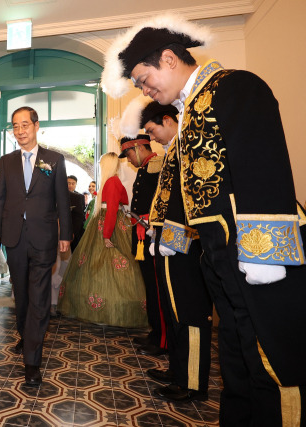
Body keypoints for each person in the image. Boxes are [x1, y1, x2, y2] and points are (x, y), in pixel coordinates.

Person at [102, 14, 306, 425]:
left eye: (144, 79)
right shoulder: (191, 110)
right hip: (220, 258)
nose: (145, 90)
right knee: (236, 355)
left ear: (169, 59)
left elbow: (262, 168)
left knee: (272, 363)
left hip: (261, 258)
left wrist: (264, 255)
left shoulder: (235, 87)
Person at [125, 98, 214, 402]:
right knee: (174, 313)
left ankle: (191, 383)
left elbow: (191, 201)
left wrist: (172, 239)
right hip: (168, 244)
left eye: (152, 130)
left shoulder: (188, 145)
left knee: (189, 315)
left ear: (168, 120)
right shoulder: (173, 150)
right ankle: (177, 371)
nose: (152, 138)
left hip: (185, 247)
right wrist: (155, 233)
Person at [0, 106, 72, 387]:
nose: (20, 130)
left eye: (25, 125)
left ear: (36, 126)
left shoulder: (54, 160)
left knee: (38, 297)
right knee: (21, 295)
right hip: (14, 237)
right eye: (15, 126)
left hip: (44, 237)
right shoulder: (6, 161)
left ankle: (32, 361)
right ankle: (26, 334)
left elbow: (63, 200)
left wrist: (66, 235)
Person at [58, 152, 148, 329]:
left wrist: (107, 234)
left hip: (108, 225)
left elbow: (113, 209)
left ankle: (105, 310)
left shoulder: (111, 181)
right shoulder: (113, 181)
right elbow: (114, 208)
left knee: (98, 266)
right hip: (109, 223)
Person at [117, 109, 167, 357]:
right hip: (142, 235)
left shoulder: (156, 166)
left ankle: (162, 338)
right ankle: (156, 332)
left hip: (154, 236)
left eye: (127, 154)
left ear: (137, 147)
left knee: (157, 288)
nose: (127, 159)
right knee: (150, 285)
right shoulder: (146, 169)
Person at [67, 175, 86, 252]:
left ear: (76, 184)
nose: (70, 185)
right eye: (68, 183)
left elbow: (81, 215)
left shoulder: (80, 197)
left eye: (73, 183)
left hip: (76, 229)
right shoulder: (60, 196)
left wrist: (74, 231)